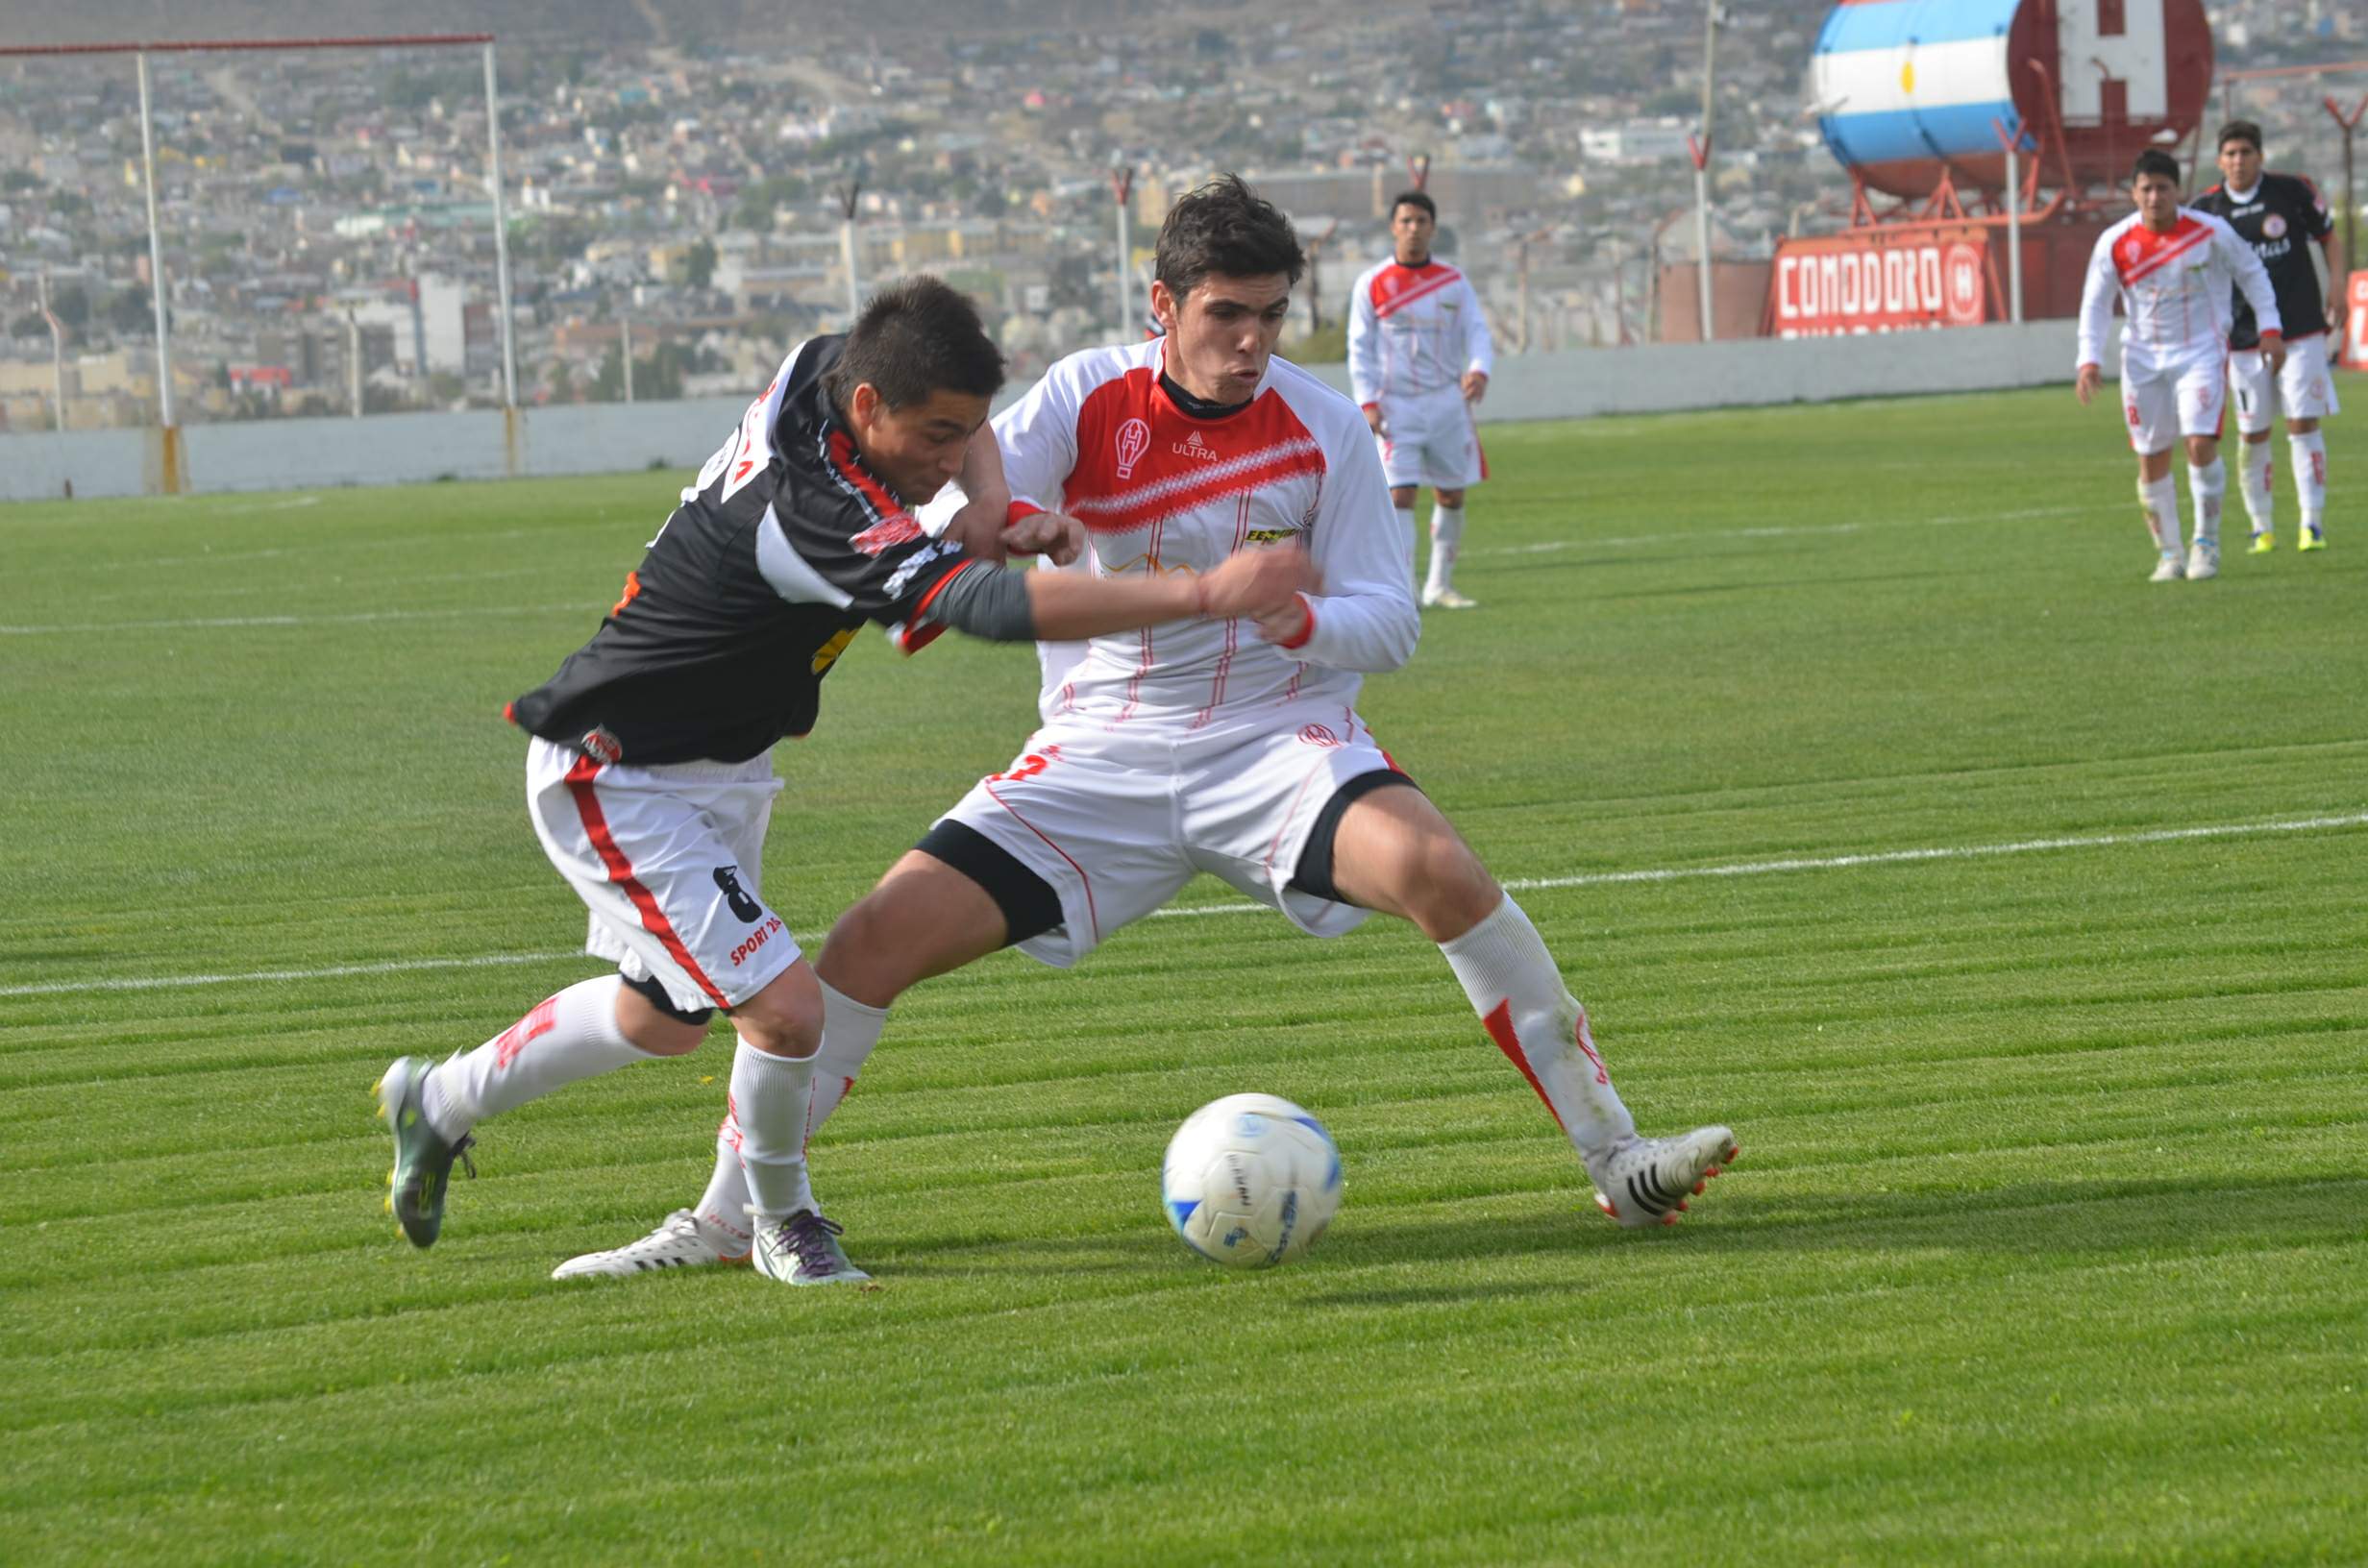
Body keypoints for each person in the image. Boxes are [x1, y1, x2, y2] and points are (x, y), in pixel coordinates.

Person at [555, 176, 1737, 1284]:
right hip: (1100, 754)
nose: (1251, 342)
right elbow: (971, 477)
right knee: (866, 946)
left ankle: (1617, 1161)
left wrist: (1301, 614)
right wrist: (1010, 521)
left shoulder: (1323, 428)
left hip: (1277, 746)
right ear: (1161, 303)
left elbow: (1388, 626)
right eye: (1226, 314)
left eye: (1273, 316)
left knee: (1437, 868)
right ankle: (724, 1218)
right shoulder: (1082, 395)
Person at [373, 275, 1311, 1286]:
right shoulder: (815, 509)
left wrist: (989, 505)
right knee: (786, 1009)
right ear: (870, 410)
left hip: (724, 766)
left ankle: (444, 1099)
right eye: (933, 438)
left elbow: (956, 446)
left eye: (967, 433)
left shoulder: (834, 364)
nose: (949, 458)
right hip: (617, 771)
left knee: (661, 1018)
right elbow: (988, 611)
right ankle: (775, 1222)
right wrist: (1206, 591)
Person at [2077, 149, 2283, 583]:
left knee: (2199, 444)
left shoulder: (2210, 232)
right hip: (2142, 360)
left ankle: (2205, 544)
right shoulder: (2116, 242)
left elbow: (2252, 273)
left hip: (2200, 353)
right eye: (2146, 188)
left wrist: (2270, 327)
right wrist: (2088, 358)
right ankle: (2169, 554)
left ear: (2178, 192)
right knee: (2151, 458)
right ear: (2134, 192)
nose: (2154, 197)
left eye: (2163, 188)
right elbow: (2096, 302)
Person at [2192, 119, 2344, 553]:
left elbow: (2329, 237)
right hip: (2243, 337)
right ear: (2219, 161)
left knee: (2302, 421)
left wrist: (2337, 285)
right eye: (2231, 154)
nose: (2238, 161)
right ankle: (2262, 527)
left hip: (2300, 327)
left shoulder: (2293, 191)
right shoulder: (2207, 209)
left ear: (2261, 156)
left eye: (2246, 152)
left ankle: (2311, 525)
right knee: (2253, 432)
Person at [1346, 189, 1495, 610]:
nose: (1413, 229)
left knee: (1451, 495)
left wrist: (1480, 369)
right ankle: (1404, 588)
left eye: (1421, 221)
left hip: (1447, 402)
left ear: (1433, 227)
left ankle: (1439, 585)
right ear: (1393, 227)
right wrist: (1368, 400)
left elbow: (1478, 332)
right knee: (1400, 495)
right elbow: (1358, 345)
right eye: (1406, 221)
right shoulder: (1372, 283)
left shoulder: (1454, 281)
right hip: (1396, 405)